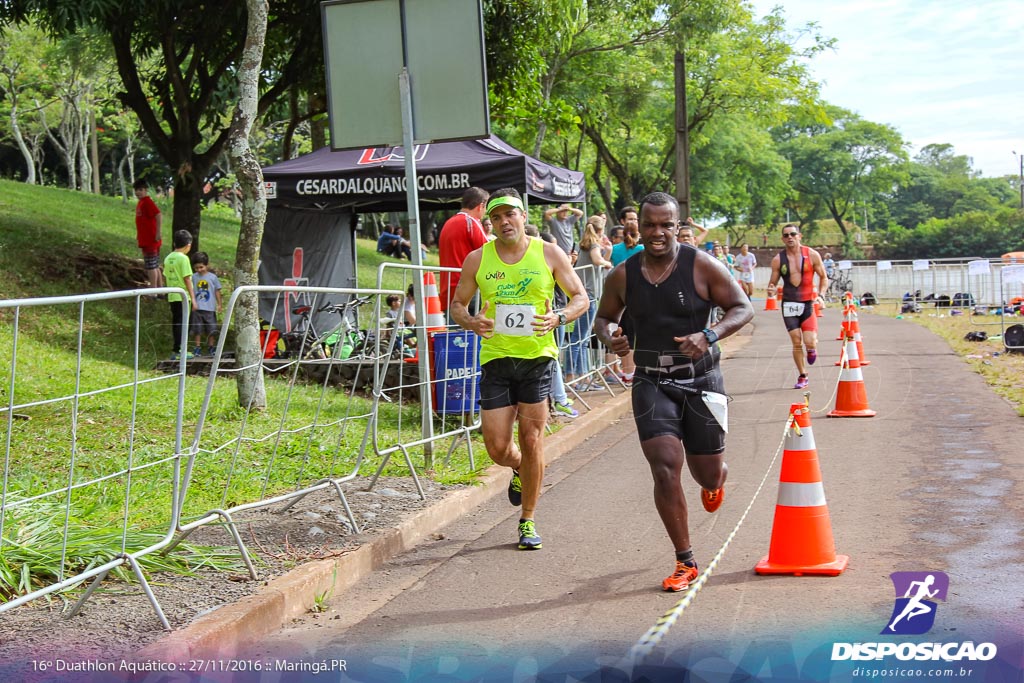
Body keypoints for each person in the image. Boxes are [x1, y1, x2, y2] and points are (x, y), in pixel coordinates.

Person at [594, 191, 753, 592]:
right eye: (649, 225)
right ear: (637, 226)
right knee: (665, 467)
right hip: (650, 381)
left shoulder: (701, 265)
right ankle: (686, 561)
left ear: (678, 225)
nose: (658, 232)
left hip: (701, 379)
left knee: (707, 472)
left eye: (666, 225)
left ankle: (716, 480)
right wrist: (610, 335)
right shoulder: (623, 275)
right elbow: (604, 318)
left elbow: (742, 307)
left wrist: (709, 334)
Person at [450, 188, 589, 550]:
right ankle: (518, 469)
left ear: (523, 217)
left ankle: (527, 519)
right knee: (497, 447)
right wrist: (471, 322)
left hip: (537, 358)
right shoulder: (478, 259)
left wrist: (558, 317)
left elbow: (580, 297)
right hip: (496, 358)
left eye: (510, 214)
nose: (504, 222)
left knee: (531, 440)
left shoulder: (548, 252)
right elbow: (458, 305)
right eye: (496, 217)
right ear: (490, 224)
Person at [767, 224, 829, 389]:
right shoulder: (778, 260)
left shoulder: (812, 255)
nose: (790, 237)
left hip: (807, 302)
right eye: (786, 235)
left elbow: (824, 277)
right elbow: (772, 283)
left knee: (810, 342)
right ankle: (803, 375)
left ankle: (811, 348)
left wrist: (821, 296)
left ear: (799, 236)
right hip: (789, 304)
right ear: (783, 239)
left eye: (793, 234)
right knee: (796, 341)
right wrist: (771, 290)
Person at [566, 215, 612, 384]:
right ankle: (574, 376)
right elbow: (597, 260)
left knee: (582, 338)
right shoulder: (593, 245)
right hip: (589, 295)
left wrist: (608, 252)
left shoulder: (583, 243)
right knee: (580, 338)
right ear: (600, 231)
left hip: (584, 293)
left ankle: (583, 377)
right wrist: (608, 264)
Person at [438, 187, 489, 313]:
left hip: (448, 290)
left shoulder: (449, 222)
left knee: (456, 332)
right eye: (486, 207)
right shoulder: (471, 222)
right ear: (481, 206)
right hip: (467, 291)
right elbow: (491, 252)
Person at [164, 230, 197, 360]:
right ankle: (180, 350)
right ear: (188, 245)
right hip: (183, 296)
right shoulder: (184, 259)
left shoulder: (168, 257)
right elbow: (187, 278)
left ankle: (176, 349)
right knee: (184, 323)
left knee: (176, 322)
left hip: (172, 295)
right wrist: (193, 298)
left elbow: (166, 275)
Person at [189, 251, 223, 357]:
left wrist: (219, 304)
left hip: (209, 308)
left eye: (201, 267)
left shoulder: (212, 277)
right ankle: (197, 347)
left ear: (206, 265)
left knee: (211, 329)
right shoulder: (193, 277)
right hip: (197, 308)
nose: (199, 270)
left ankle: (211, 347)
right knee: (197, 329)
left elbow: (217, 291)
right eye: (196, 268)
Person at [134, 179, 163, 289]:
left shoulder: (147, 202)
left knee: (151, 266)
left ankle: (153, 290)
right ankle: (161, 289)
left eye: (141, 190)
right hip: (145, 239)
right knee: (154, 264)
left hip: (151, 239)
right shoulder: (141, 203)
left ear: (146, 190)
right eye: (136, 190)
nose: (138, 192)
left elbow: (159, 215)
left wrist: (158, 233)